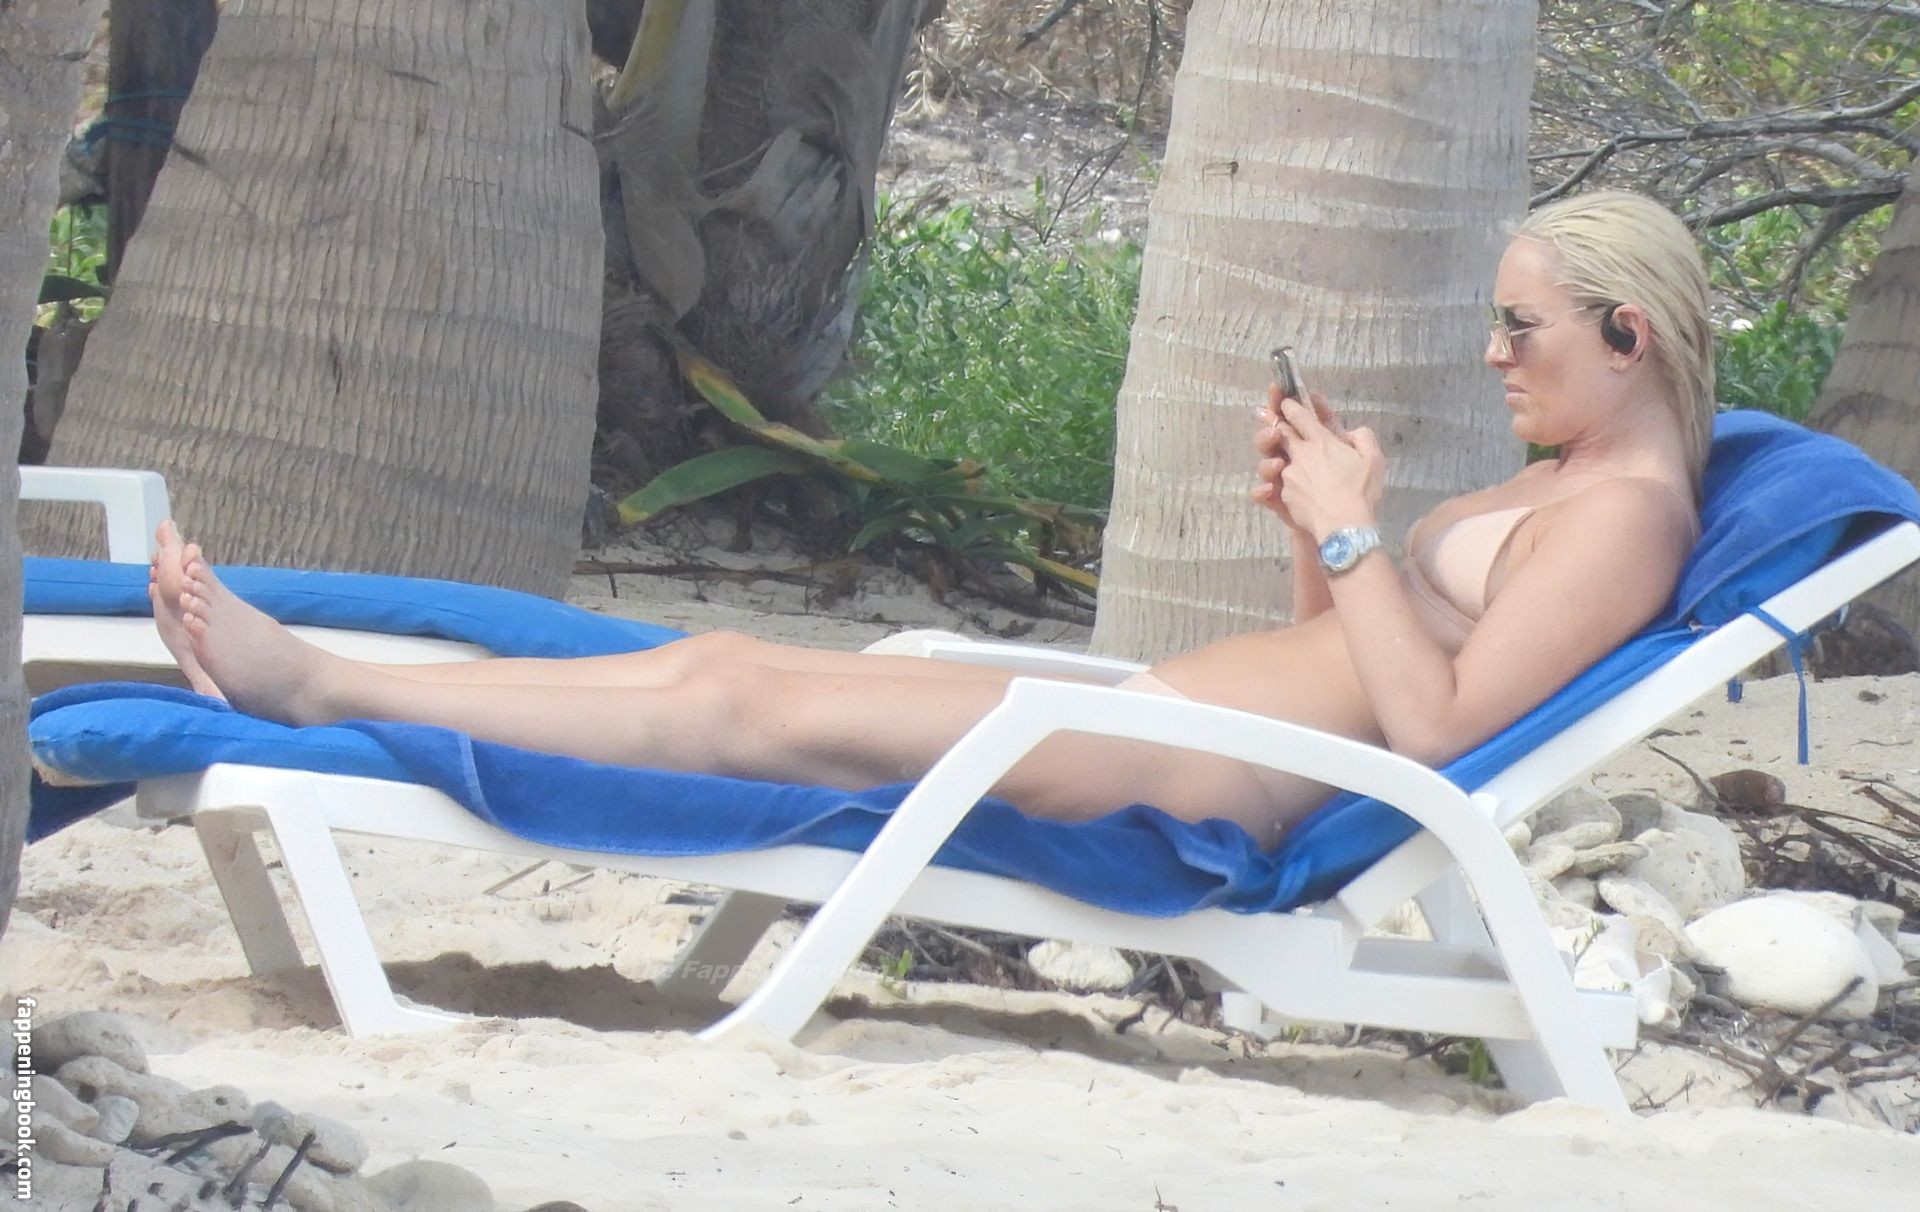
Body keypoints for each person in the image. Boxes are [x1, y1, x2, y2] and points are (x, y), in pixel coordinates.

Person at [148, 190, 1712, 851]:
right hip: (1168, 715)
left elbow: (1434, 739)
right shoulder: (1555, 485)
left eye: (1521, 329)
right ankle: (333, 685)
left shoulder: (1626, 516)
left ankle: (322, 688)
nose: (1496, 356)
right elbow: (1358, 665)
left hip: (1192, 774)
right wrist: (1317, 529)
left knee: (741, 708)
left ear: (1627, 334)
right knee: (716, 662)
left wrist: (1360, 527)